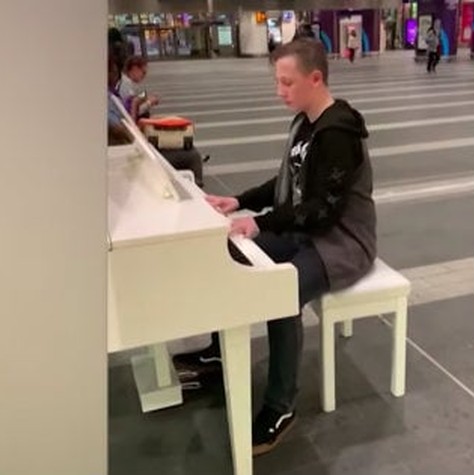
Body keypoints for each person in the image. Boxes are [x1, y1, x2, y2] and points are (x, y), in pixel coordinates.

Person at [175, 38, 376, 455]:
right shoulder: (306, 122)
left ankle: (281, 406)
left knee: (281, 291)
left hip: (342, 241)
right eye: (277, 81)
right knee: (229, 252)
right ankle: (217, 353)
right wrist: (239, 202)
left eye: (287, 82)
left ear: (316, 78)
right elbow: (287, 183)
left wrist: (261, 222)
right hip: (307, 230)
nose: (279, 91)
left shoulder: (338, 132)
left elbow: (322, 210)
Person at [118, 55, 159, 120]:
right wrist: (149, 103)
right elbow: (133, 111)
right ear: (135, 69)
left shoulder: (125, 81)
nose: (144, 76)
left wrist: (144, 98)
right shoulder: (127, 83)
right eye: (143, 73)